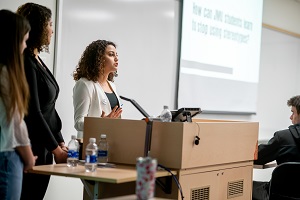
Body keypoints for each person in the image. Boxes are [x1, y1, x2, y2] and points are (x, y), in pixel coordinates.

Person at [16, 3, 68, 200]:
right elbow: (33, 112)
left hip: (45, 147)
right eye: (50, 24)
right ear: (37, 26)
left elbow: (50, 108)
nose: (52, 30)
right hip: (30, 148)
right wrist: (56, 148)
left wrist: (60, 141)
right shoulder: (25, 61)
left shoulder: (37, 59)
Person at [0, 9, 37, 200]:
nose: (24, 47)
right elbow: (15, 122)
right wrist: (29, 157)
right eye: (23, 41)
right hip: (8, 155)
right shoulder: (5, 74)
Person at [252, 95, 300, 200]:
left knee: (244, 187)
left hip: (278, 194)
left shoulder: (283, 137)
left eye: (293, 112)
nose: (291, 117)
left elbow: (257, 157)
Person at [73, 40, 123, 139]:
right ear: (99, 58)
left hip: (112, 141)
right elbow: (78, 123)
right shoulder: (84, 84)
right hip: (91, 145)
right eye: (111, 54)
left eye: (116, 55)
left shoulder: (112, 85)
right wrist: (99, 124)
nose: (116, 58)